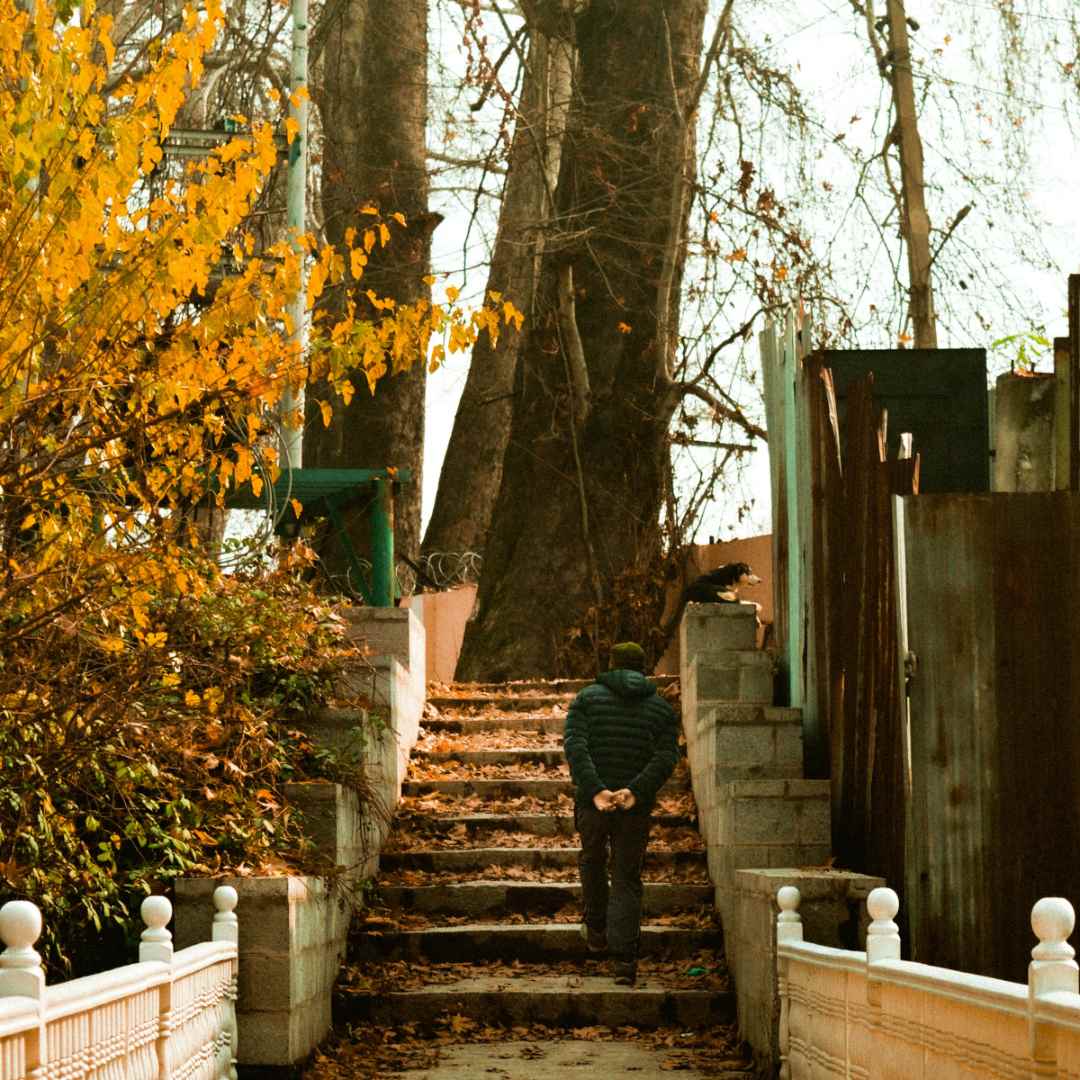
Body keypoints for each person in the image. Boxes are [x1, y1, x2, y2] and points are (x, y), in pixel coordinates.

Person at [562, 641, 680, 985]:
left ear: (611, 664)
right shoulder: (660, 709)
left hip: (592, 803)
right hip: (634, 807)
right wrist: (635, 791)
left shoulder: (586, 699)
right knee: (627, 878)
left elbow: (575, 745)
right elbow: (666, 756)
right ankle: (625, 963)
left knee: (592, 860)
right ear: (643, 668)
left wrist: (596, 790)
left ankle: (597, 929)